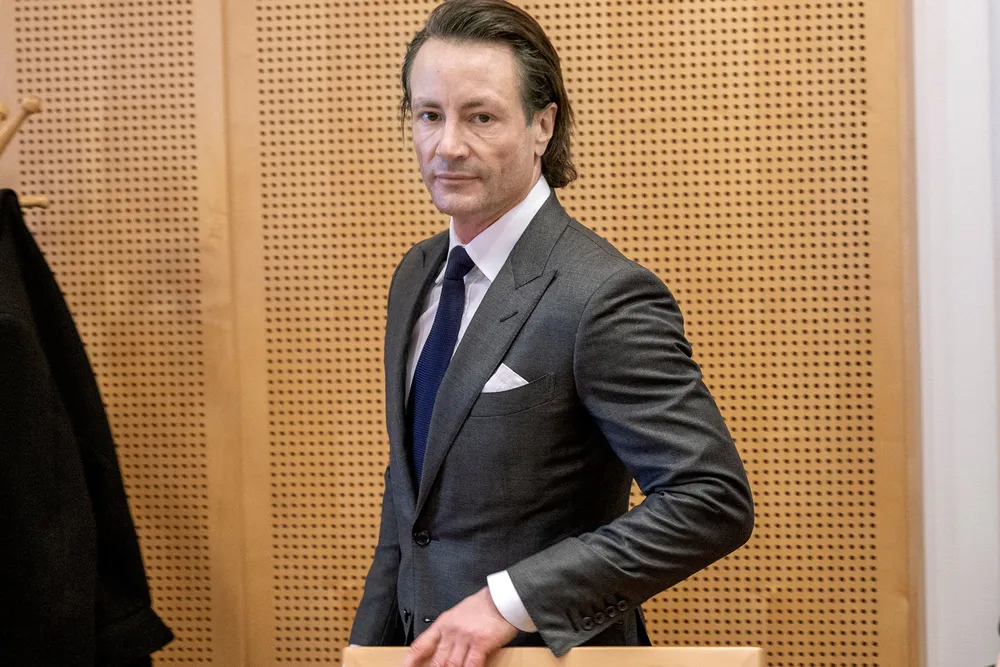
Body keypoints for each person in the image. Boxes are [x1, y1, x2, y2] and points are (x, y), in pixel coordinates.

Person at [348, 1, 754, 665]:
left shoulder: (601, 294)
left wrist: (509, 601)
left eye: (480, 117)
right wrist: (366, 653)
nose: (447, 145)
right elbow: (409, 506)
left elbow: (711, 500)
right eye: (429, 115)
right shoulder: (417, 274)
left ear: (543, 124)